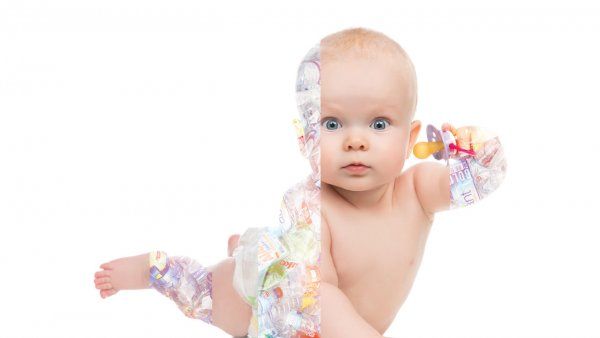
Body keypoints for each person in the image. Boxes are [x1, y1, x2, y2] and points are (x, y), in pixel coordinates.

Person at [93, 27, 506, 338]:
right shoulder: (314, 208)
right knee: (201, 292)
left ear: (412, 138)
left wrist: (478, 149)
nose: (356, 140)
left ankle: (249, 246)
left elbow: (480, 181)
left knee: (269, 248)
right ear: (306, 137)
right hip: (272, 305)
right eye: (332, 123)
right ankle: (155, 269)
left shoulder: (417, 191)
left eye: (379, 124)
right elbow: (319, 297)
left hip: (309, 289)